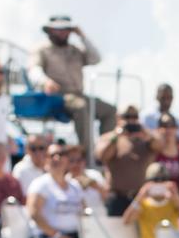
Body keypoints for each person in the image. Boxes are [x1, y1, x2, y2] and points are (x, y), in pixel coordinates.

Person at [28, 15, 114, 160]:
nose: (63, 33)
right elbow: (33, 70)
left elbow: (96, 58)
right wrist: (45, 82)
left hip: (79, 94)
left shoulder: (76, 50)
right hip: (58, 96)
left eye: (66, 29)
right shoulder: (42, 49)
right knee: (81, 107)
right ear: (50, 30)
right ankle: (88, 156)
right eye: (59, 30)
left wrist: (82, 36)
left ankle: (104, 153)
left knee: (110, 110)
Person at [25, 142, 85, 238]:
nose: (57, 158)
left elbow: (85, 212)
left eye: (61, 154)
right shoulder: (40, 184)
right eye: (52, 155)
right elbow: (34, 213)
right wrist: (56, 235)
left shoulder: (75, 186)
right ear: (46, 159)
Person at [95, 105, 156, 216]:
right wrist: (117, 136)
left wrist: (145, 132)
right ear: (118, 118)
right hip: (117, 199)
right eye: (127, 117)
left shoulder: (145, 138)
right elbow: (102, 156)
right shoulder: (109, 137)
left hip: (140, 198)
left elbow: (161, 147)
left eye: (134, 116)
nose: (131, 120)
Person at [153, 116, 179, 189]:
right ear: (158, 129)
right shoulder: (154, 152)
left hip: (177, 197)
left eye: (172, 125)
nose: (168, 129)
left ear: (176, 128)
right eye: (164, 125)